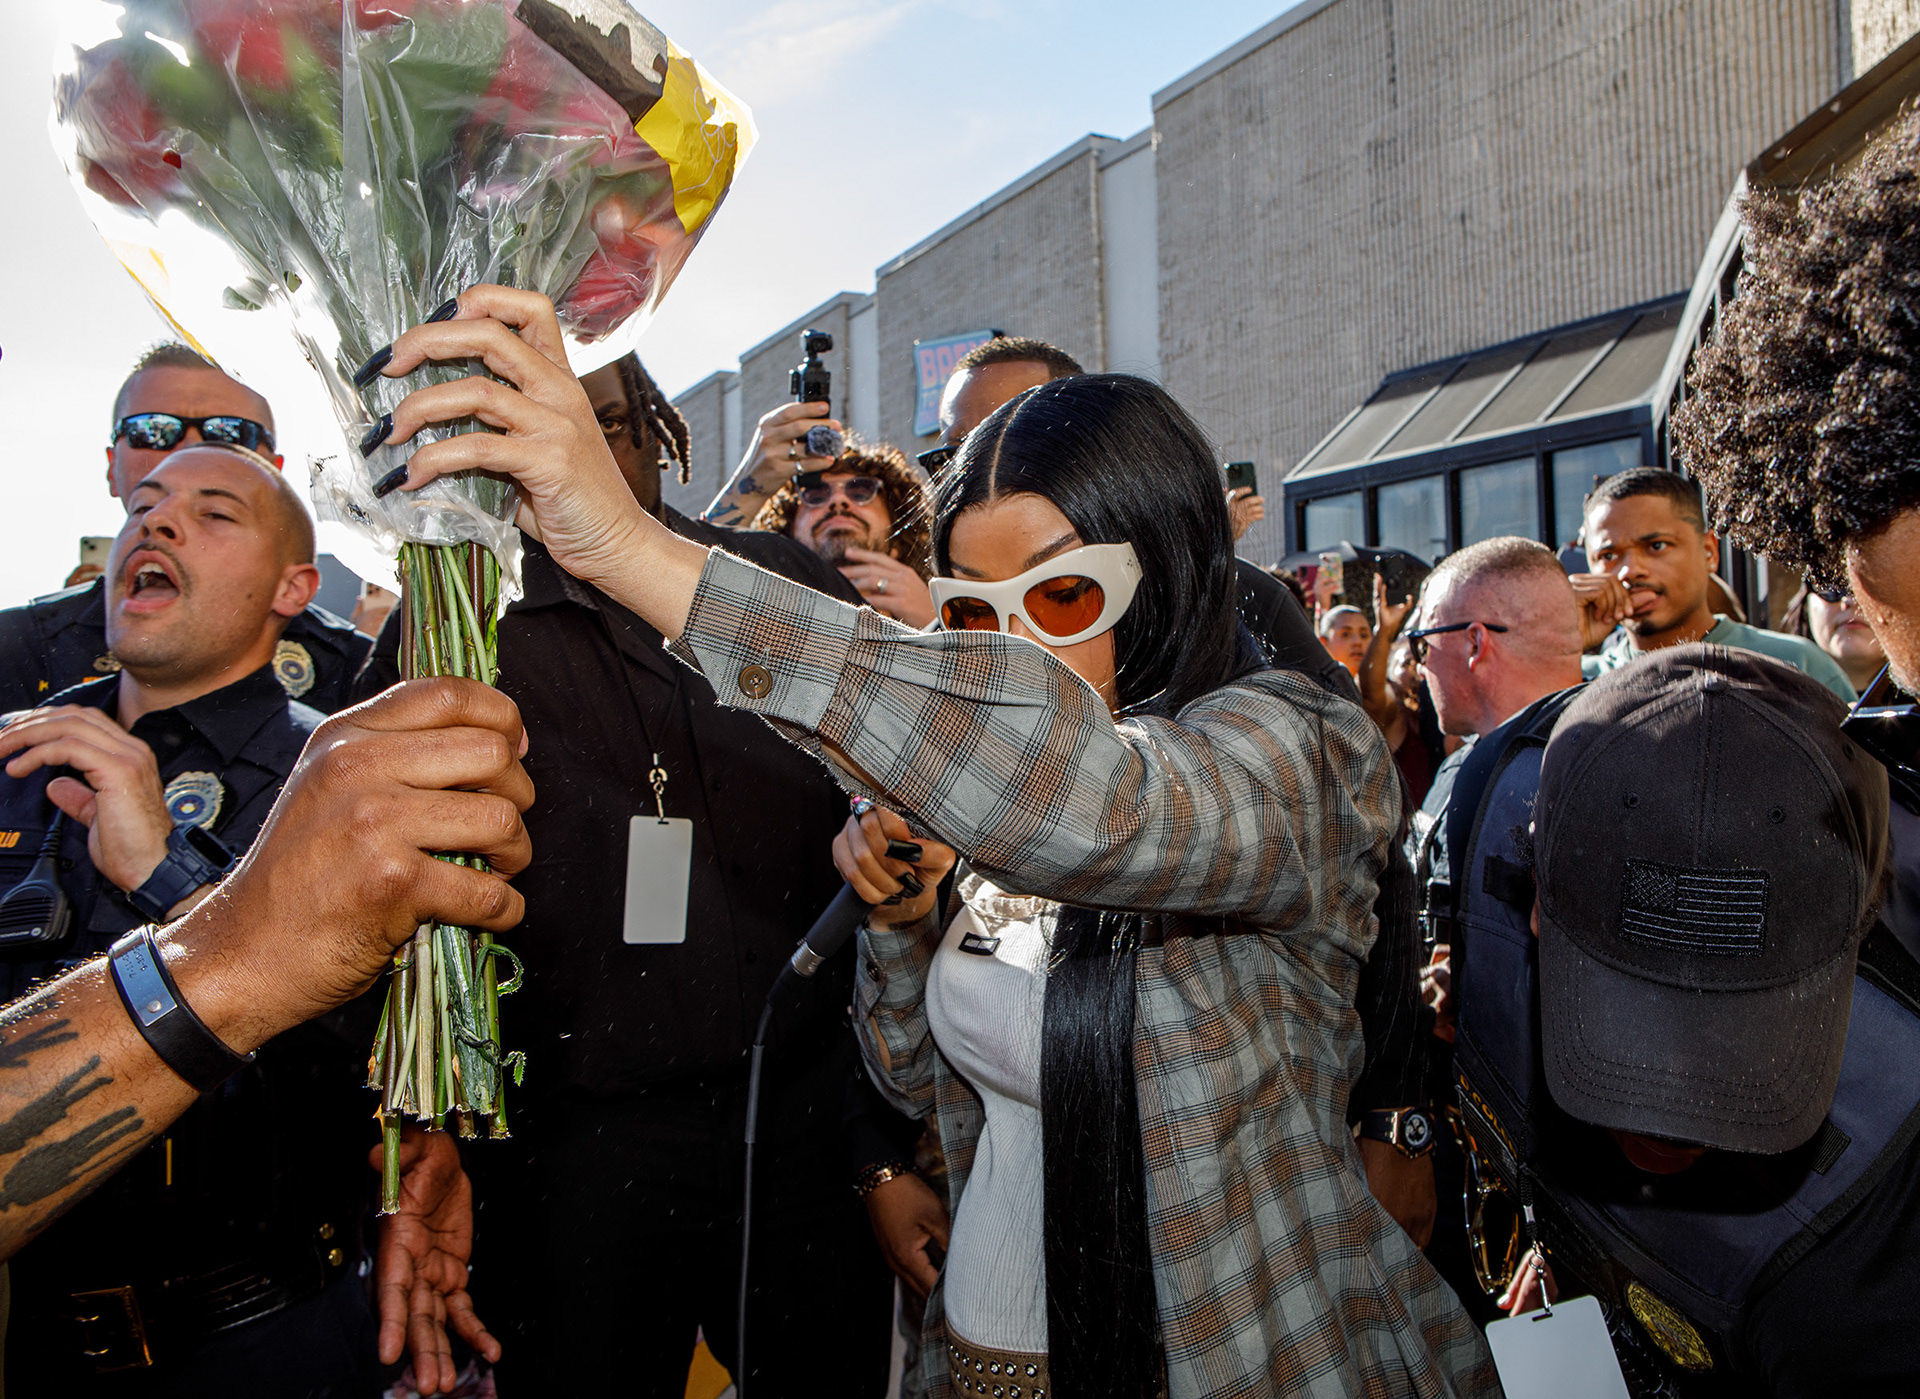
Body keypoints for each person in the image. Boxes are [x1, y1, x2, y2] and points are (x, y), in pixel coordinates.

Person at [358, 287, 1499, 1397]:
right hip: (979, 1356)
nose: (1013, 658)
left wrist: (620, 541)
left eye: (1059, 599)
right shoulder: (989, 804)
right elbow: (922, 1074)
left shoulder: (1294, 751)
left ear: (1164, 577)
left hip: (1235, 1348)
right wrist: (906, 926)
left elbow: (1101, 808)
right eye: (972, 619)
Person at [358, 348, 895, 1397]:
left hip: (803, 1129)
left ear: (656, 437)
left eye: (608, 422)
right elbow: (379, 907)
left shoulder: (782, 587)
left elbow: (891, 832)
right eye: (539, 423)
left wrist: (883, 1145)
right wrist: (416, 1132)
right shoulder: (456, 628)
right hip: (573, 1158)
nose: (579, 445)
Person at [0, 443, 471, 1393]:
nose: (157, 522)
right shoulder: (19, 757)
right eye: (145, 503)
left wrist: (163, 875)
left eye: (214, 513)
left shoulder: (347, 784)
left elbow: (386, 1059)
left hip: (271, 1340)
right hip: (38, 1344)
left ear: (295, 586)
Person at [1455, 648, 1918, 1394]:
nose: (1669, 1115)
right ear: (1537, 901)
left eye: (1740, 1027)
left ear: (1860, 937)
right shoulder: (1488, 803)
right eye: (1627, 1013)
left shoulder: (1886, 1219)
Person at [0, 344, 372, 717]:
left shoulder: (359, 677)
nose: (192, 448)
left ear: (273, 470)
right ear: (112, 467)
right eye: (154, 430)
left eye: (229, 433)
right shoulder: (15, 651)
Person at [1571, 468, 1855, 700]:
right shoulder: (1574, 678)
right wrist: (1563, 645)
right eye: (1608, 555)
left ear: (1709, 551)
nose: (1629, 571)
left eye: (1656, 546)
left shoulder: (1795, 665)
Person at [751, 439, 937, 627]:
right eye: (815, 495)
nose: (838, 499)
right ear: (787, 530)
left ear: (897, 528)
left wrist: (935, 622)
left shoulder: (943, 606)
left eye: (860, 492)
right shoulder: (757, 614)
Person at [1784, 583, 1885, 695]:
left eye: (1872, 588)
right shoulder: (1773, 697)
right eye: (1832, 586)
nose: (1850, 600)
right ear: (1806, 605)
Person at [1318, 602, 1373, 678]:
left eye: (1364, 635)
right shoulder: (1313, 687)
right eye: (1345, 634)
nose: (1357, 642)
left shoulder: (1389, 688)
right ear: (1323, 643)